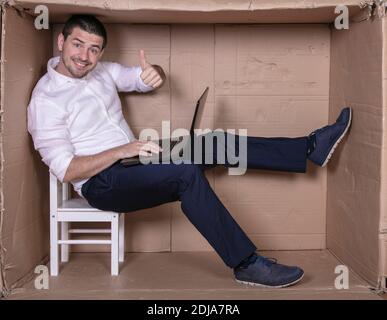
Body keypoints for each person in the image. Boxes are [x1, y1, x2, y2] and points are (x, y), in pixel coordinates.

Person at [27, 15, 352, 288]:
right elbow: (67, 170)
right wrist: (120, 150)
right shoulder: (46, 101)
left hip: (136, 159)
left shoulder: (100, 72)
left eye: (93, 49)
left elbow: (142, 80)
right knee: (186, 174)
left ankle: (309, 149)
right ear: (61, 42)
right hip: (102, 184)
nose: (84, 56)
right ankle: (245, 263)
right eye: (77, 44)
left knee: (216, 142)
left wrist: (153, 73)